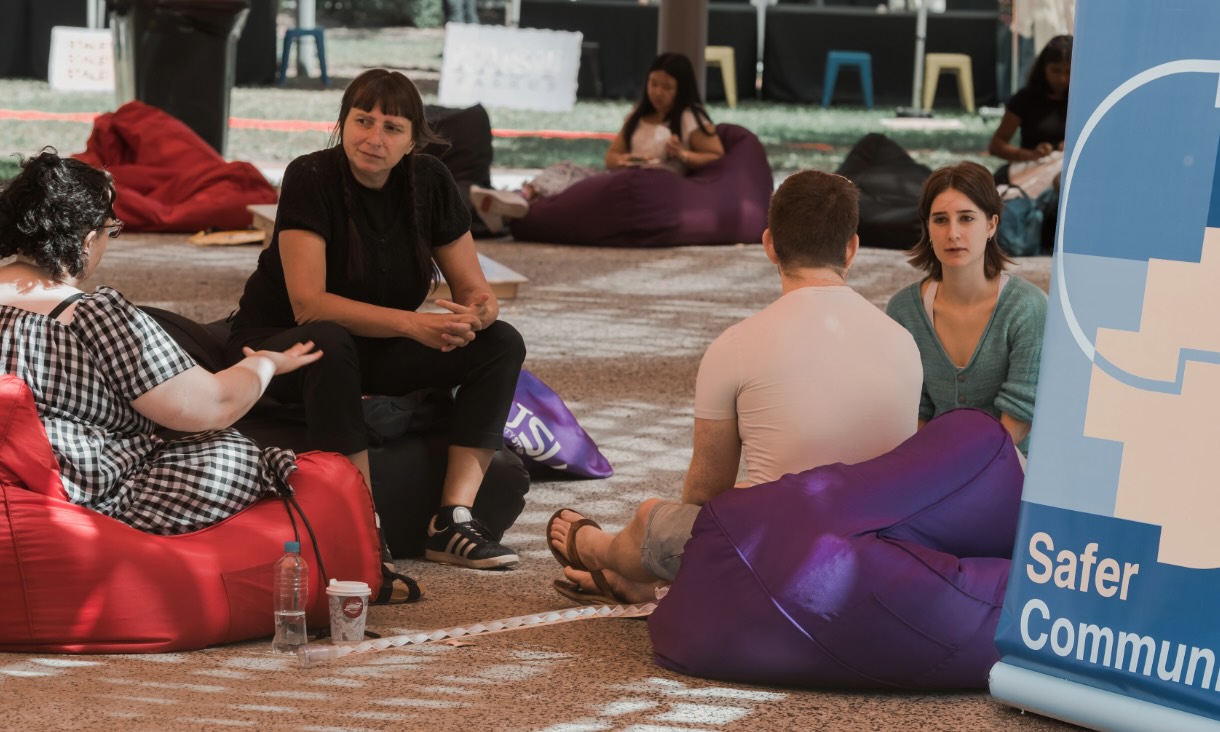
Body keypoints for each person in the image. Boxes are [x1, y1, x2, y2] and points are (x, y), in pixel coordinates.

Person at [546, 170, 923, 604]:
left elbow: (706, 494)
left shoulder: (736, 346)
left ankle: (601, 549)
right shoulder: (903, 341)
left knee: (657, 519)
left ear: (768, 244)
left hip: (781, 556)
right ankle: (633, 583)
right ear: (852, 248)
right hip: (879, 545)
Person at [227, 69, 527, 576]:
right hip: (283, 347)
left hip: (372, 343)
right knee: (330, 338)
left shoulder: (429, 180)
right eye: (362, 121)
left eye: (392, 127)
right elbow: (310, 306)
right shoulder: (311, 176)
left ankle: (452, 518)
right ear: (343, 123)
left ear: (413, 140)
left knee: (501, 343)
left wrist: (477, 312)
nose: (374, 138)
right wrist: (415, 326)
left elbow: (474, 287)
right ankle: (363, 524)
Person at [0, 150, 323, 537]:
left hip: (15, 477)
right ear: (87, 240)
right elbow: (211, 405)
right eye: (111, 229)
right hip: (77, 489)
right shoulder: (90, 315)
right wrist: (265, 364)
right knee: (231, 453)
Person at [886, 161, 1047, 456]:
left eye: (967, 218)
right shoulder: (903, 310)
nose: (953, 233)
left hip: (1010, 468)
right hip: (932, 465)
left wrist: (955, 478)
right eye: (940, 220)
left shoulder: (1028, 308)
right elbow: (914, 412)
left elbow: (1018, 421)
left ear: (991, 225)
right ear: (927, 228)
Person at [469, 52, 726, 233]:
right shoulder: (638, 116)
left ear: (681, 89)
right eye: (653, 84)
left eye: (667, 87)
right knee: (567, 169)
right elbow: (611, 158)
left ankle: (513, 204)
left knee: (574, 180)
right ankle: (519, 198)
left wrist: (682, 154)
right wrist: (624, 161)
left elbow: (715, 154)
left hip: (656, 184)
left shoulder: (689, 117)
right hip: (623, 180)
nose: (657, 92)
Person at [988, 34, 1072, 169]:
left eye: (1069, 72)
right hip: (1031, 169)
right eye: (1056, 71)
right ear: (1043, 68)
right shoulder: (1025, 99)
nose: (1062, 79)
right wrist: (1030, 155)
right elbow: (997, 145)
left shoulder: (1085, 103)